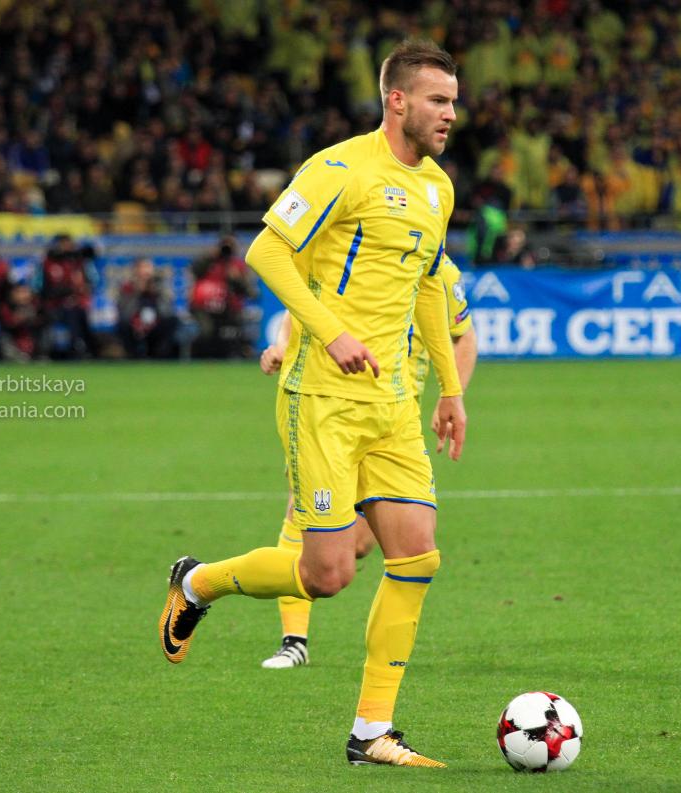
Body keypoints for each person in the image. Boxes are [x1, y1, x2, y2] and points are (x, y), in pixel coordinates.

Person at [158, 39, 465, 769]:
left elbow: (428, 287)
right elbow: (266, 252)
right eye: (437, 100)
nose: (451, 114)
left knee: (417, 555)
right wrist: (330, 333)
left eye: (454, 101)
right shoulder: (339, 168)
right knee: (327, 575)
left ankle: (371, 732)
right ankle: (196, 583)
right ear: (397, 101)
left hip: (393, 403)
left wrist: (451, 388)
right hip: (322, 397)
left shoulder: (437, 188)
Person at [258, 254, 477, 671]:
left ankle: (202, 581)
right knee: (301, 516)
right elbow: (300, 301)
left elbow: (463, 336)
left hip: (393, 423)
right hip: (331, 412)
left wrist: (452, 393)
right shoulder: (353, 252)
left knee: (356, 549)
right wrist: (284, 346)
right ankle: (293, 640)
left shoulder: (436, 267)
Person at [117, 257, 179, 359]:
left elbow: (167, 310)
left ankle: (160, 354)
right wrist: (137, 292)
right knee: (122, 325)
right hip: (134, 325)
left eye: (148, 267)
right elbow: (124, 312)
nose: (146, 271)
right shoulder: (128, 287)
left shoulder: (160, 287)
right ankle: (133, 355)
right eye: (142, 267)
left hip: (156, 324)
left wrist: (156, 293)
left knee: (172, 321)